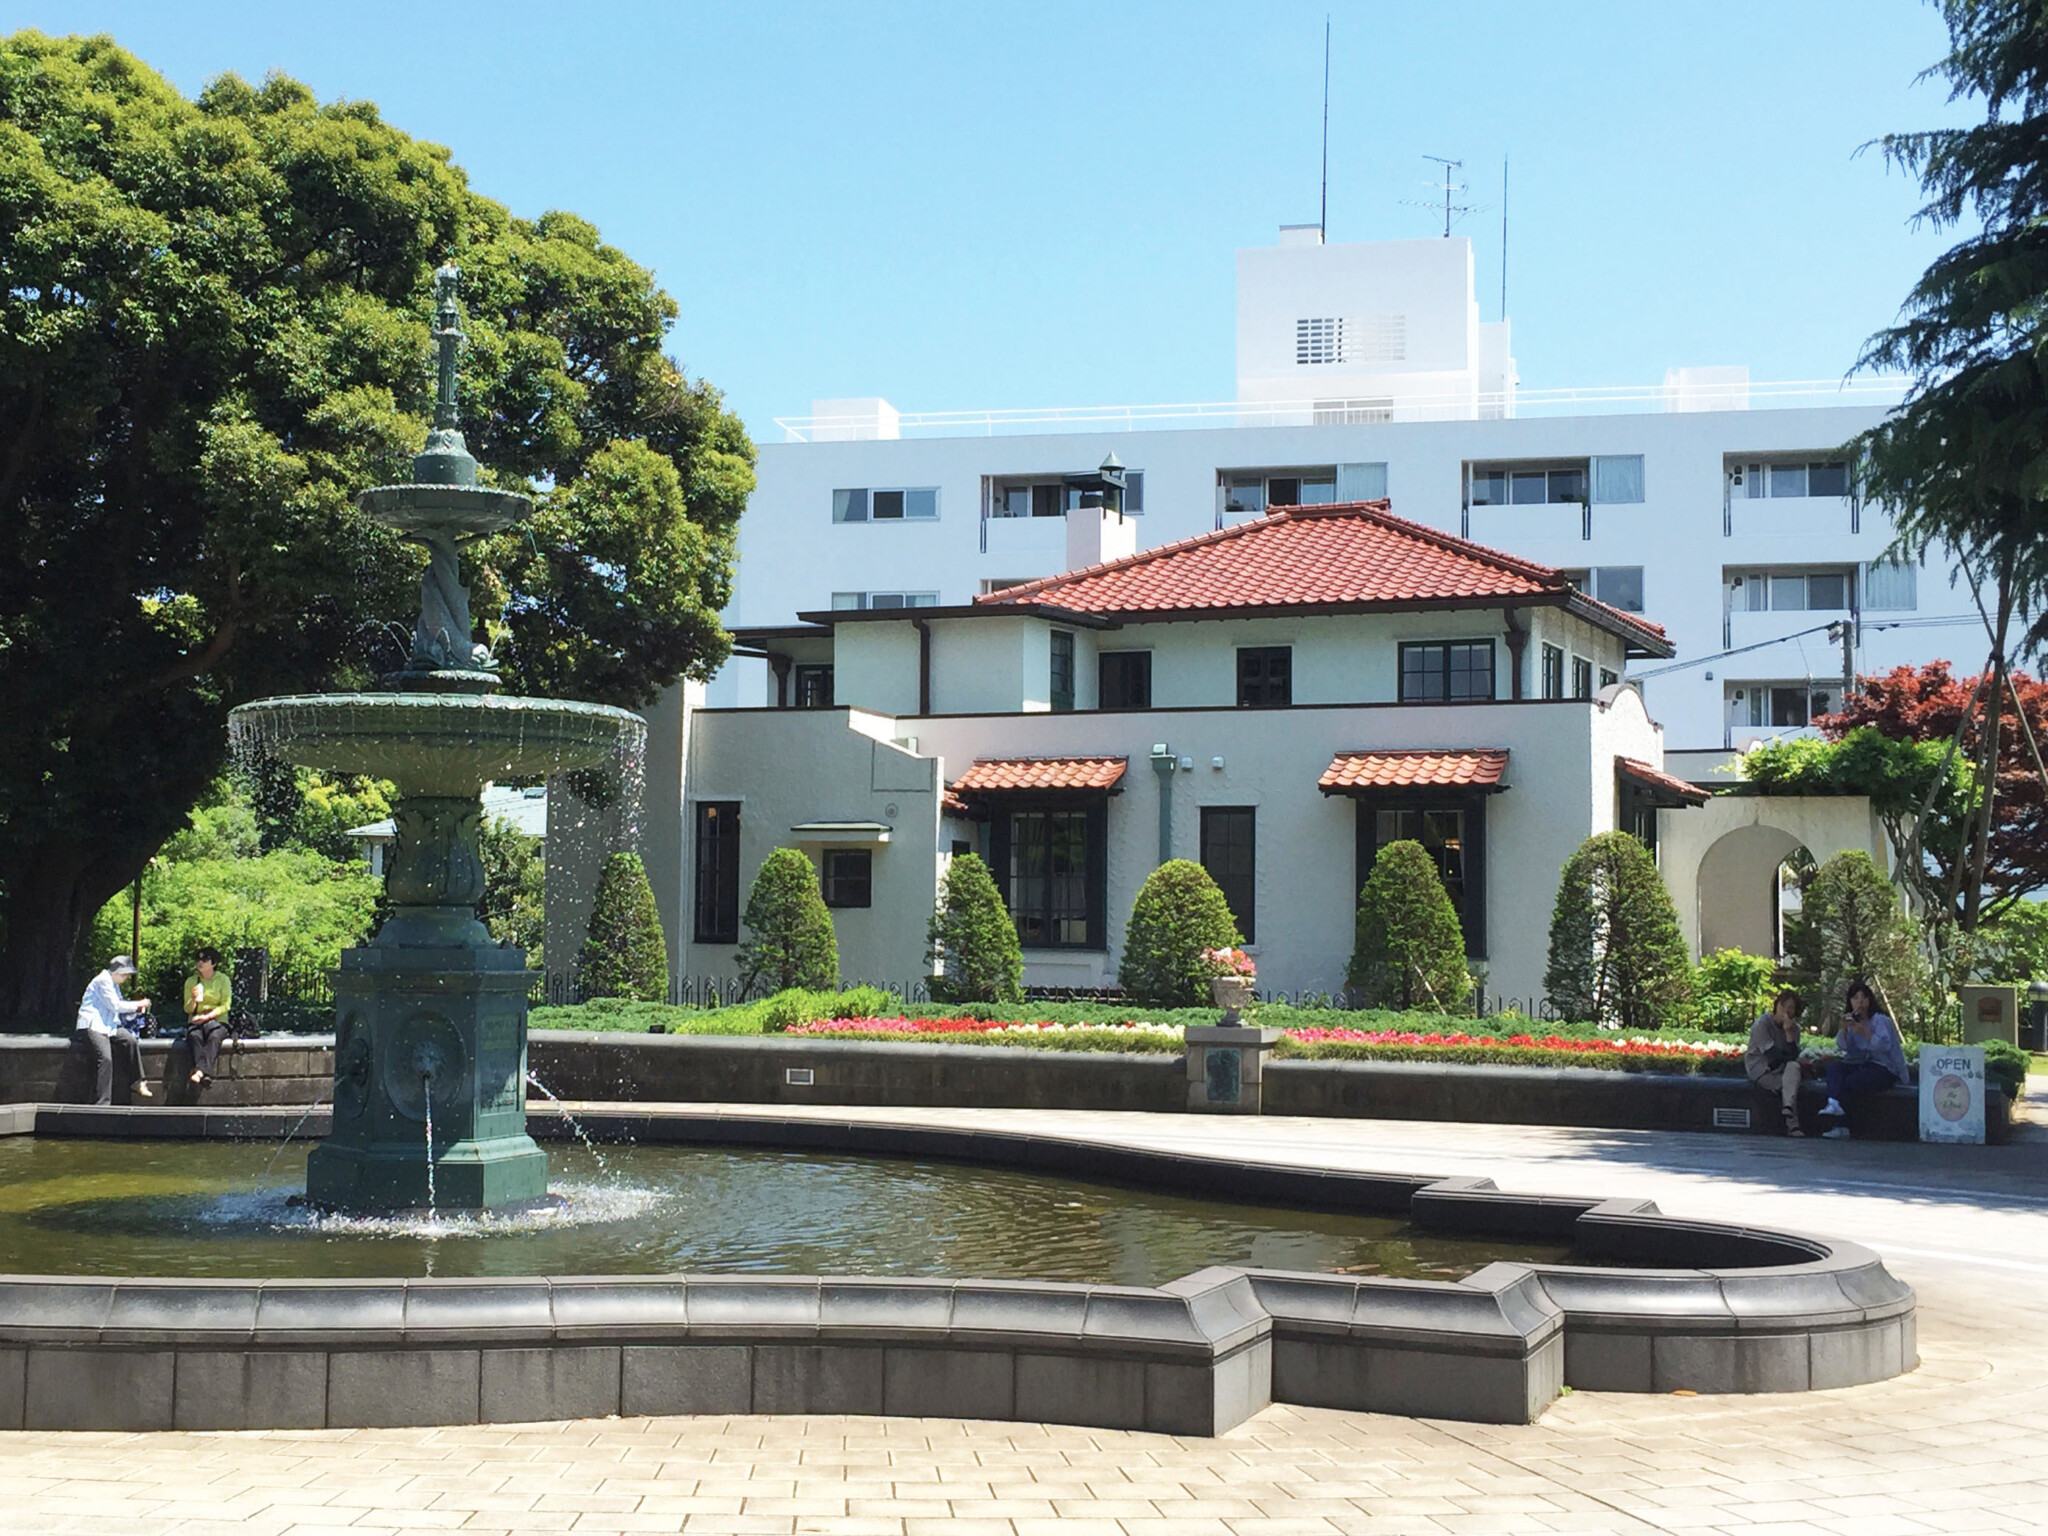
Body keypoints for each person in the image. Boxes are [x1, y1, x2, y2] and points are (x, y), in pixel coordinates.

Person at [1818, 980, 1908, 1139]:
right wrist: (1844, 1029)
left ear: (1870, 1000)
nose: (1860, 1002)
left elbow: (1884, 1046)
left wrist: (1864, 1032)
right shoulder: (1853, 1021)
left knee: (1852, 1082)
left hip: (1886, 1068)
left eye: (1863, 997)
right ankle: (1833, 1103)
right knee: (1835, 1068)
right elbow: (1844, 1047)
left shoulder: (1880, 1020)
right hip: (1863, 1064)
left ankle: (1844, 1125)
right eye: (1855, 998)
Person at [73, 955, 153, 1103]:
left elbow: (119, 1007)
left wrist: (135, 1010)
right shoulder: (103, 981)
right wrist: (138, 1004)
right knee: (105, 1059)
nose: (126, 977)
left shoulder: (114, 984)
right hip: (93, 1025)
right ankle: (103, 1103)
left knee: (130, 1041)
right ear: (116, 972)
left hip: (109, 1025)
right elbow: (115, 1005)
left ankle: (138, 1082)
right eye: (125, 974)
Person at [1745, 989, 1806, 1136]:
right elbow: (1772, 1057)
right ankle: (1793, 1126)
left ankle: (1788, 1108)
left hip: (1783, 1069)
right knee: (1790, 1085)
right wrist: (1788, 1055)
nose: (1786, 1011)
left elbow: (1792, 1057)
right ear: (1776, 1006)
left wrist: (1789, 1034)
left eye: (1791, 1008)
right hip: (1762, 1069)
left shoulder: (1794, 1030)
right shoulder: (1762, 1024)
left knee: (1793, 1067)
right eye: (1783, 1006)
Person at [182, 946, 233, 1087]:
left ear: (213, 963)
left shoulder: (223, 980)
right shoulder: (191, 981)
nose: (200, 963)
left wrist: (208, 1016)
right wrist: (193, 999)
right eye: (198, 959)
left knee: (214, 1037)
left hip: (217, 1020)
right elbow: (187, 1009)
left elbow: (226, 1005)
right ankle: (205, 1074)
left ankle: (199, 1071)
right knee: (194, 1036)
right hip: (197, 1020)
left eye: (205, 960)